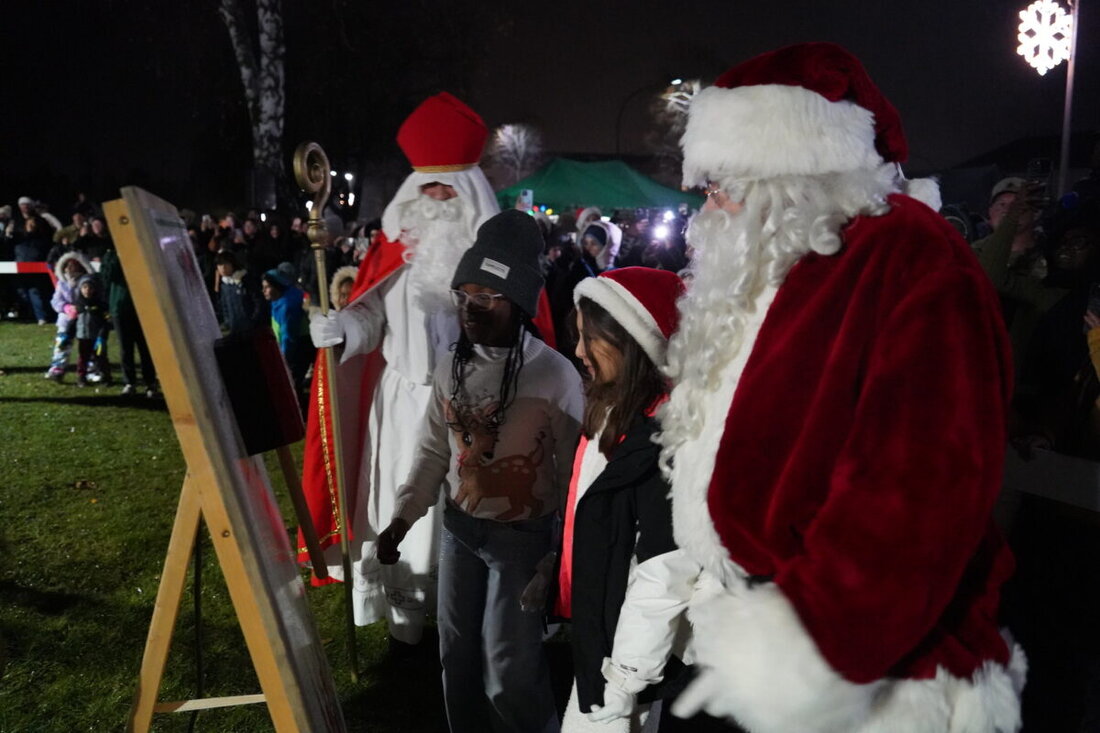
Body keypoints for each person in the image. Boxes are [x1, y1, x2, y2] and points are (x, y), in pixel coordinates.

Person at [654, 43, 1024, 732]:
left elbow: (917, 490)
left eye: (727, 177)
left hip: (847, 670)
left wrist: (808, 641)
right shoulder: (775, 263)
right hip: (740, 627)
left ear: (797, 175)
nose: (708, 197)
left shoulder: (909, 258)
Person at [303, 92, 506, 647]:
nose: (437, 197)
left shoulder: (496, 256)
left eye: (450, 186)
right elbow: (371, 316)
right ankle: (404, 623)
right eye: (427, 185)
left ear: (471, 189)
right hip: (401, 406)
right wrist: (342, 329)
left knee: (459, 511)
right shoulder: (394, 250)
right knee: (398, 502)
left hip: (474, 405)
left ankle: (461, 619)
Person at [375, 210, 583, 733]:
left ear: (518, 302)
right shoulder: (450, 365)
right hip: (460, 531)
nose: (470, 308)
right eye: (463, 294)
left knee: (508, 670)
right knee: (457, 656)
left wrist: (556, 556)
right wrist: (402, 517)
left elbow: (573, 475)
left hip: (522, 539)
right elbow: (432, 451)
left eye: (486, 296)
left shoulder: (554, 376)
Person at [557, 268, 696, 733]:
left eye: (589, 339)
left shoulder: (664, 443)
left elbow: (665, 570)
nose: (577, 352)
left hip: (624, 658)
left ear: (631, 342)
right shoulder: (613, 409)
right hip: (601, 634)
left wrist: (624, 678)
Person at [100, 248, 157, 398]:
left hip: (141, 306)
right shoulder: (110, 255)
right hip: (120, 306)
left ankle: (150, 382)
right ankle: (129, 382)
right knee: (126, 347)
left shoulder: (139, 249)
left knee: (145, 347)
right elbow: (107, 277)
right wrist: (115, 256)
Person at [261, 268, 312, 402]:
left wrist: (284, 360)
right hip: (294, 346)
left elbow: (289, 337)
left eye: (267, 287)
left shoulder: (287, 306)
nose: (264, 291)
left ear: (277, 287)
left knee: (293, 382)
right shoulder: (279, 300)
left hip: (299, 348)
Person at [46, 252, 94, 381]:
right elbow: (55, 301)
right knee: (62, 342)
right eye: (67, 266)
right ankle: (58, 367)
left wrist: (81, 307)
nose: (70, 269)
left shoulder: (87, 281)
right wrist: (65, 307)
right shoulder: (62, 283)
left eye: (73, 265)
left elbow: (93, 297)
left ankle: (91, 367)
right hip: (66, 319)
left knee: (87, 343)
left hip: (85, 317)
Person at [73, 274, 111, 387]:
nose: (87, 290)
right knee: (82, 358)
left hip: (97, 337)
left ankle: (106, 377)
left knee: (101, 357)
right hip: (83, 337)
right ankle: (81, 377)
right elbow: (73, 321)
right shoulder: (78, 304)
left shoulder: (100, 305)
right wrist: (66, 335)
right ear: (80, 289)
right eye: (84, 287)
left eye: (90, 288)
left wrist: (102, 336)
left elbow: (106, 322)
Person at [214, 250, 265, 334]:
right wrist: (228, 322)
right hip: (235, 328)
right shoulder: (224, 285)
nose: (223, 268)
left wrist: (254, 320)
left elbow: (258, 300)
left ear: (232, 264)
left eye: (226, 264)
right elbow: (224, 306)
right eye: (219, 265)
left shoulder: (245, 279)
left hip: (251, 328)